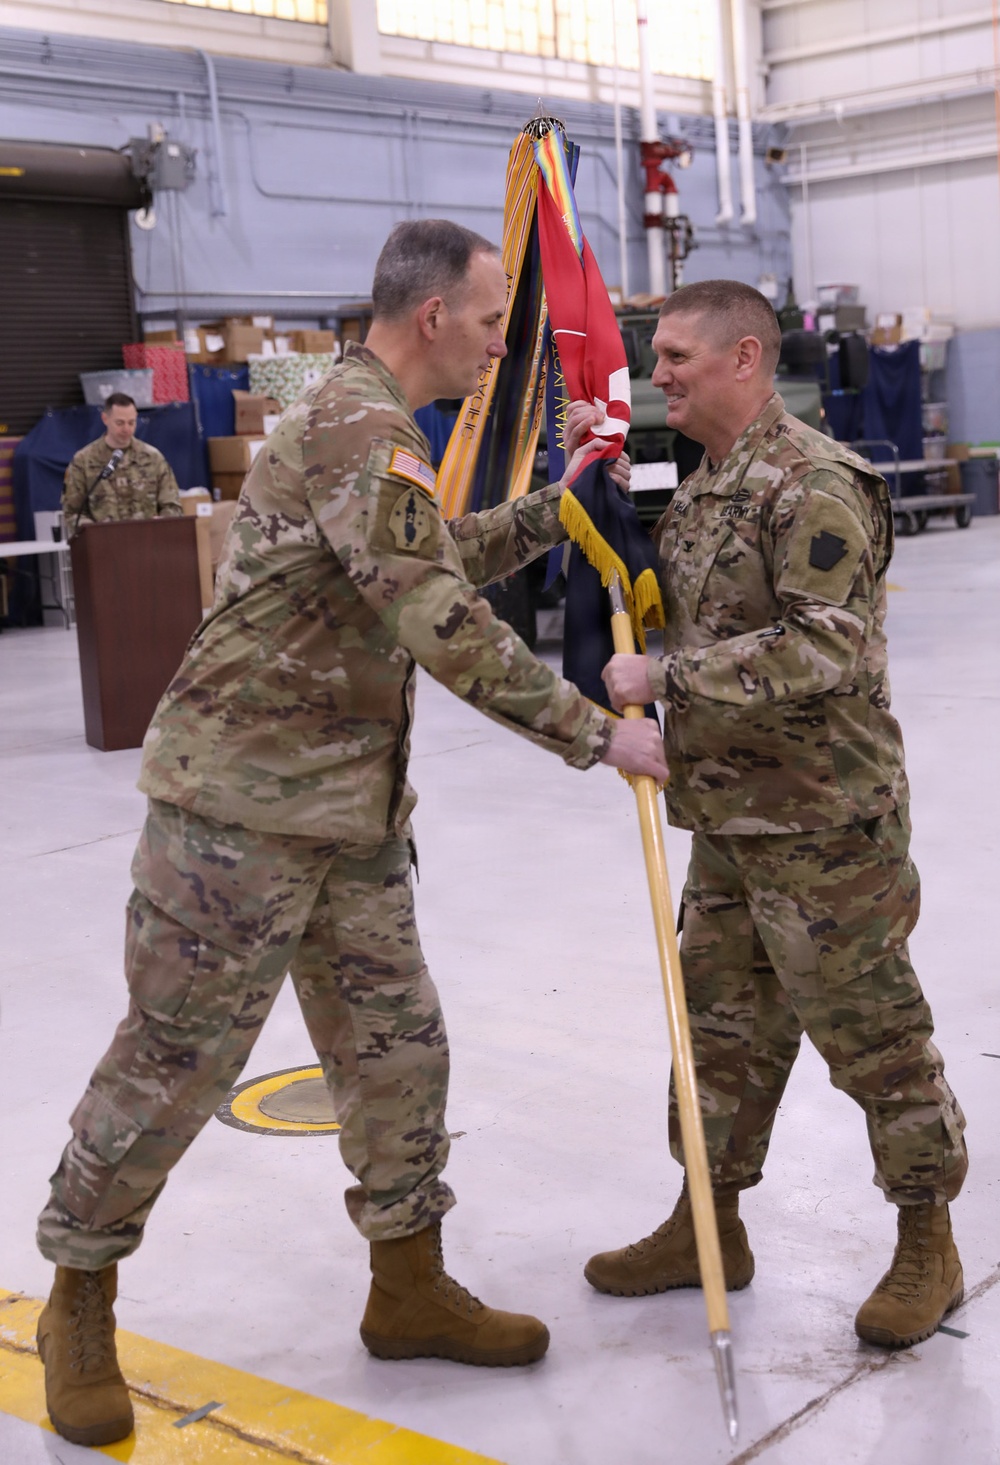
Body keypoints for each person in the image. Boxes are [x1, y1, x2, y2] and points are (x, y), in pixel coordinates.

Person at [34, 219, 668, 1450]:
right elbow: (432, 610)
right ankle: (80, 1297)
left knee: (398, 1053)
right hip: (237, 817)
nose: (499, 345)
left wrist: (552, 507)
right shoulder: (359, 422)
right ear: (431, 315)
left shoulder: (385, 430)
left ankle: (406, 1284)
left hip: (349, 816)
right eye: (490, 321)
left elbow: (418, 558)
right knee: (172, 1067)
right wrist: (597, 734)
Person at [586, 279, 967, 1352]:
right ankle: (707, 1225)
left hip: (823, 830)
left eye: (672, 357)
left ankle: (924, 1234)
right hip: (729, 822)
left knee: (873, 1038)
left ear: (744, 358)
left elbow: (826, 644)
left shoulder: (812, 484)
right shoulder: (707, 488)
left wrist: (670, 673)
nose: (654, 374)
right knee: (715, 1037)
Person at [62, 392, 182, 538]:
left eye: (132, 422)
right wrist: (93, 531)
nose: (127, 429)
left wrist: (162, 522)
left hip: (148, 544)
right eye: (120, 423)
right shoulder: (84, 460)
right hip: (104, 546)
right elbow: (73, 512)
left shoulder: (153, 458)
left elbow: (172, 506)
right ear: (105, 419)